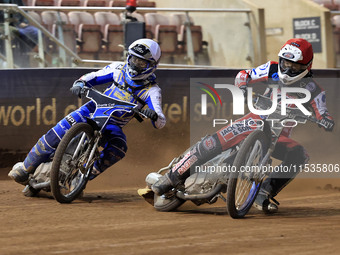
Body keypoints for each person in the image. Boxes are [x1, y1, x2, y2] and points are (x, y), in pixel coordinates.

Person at [151, 38, 335, 213]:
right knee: (215, 141)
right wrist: (243, 84)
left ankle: (264, 191)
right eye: (286, 63)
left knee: (300, 154)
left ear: (306, 66)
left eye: (294, 66)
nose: (288, 69)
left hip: (278, 135)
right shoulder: (271, 68)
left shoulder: (315, 90)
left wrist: (325, 120)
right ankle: (172, 177)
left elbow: (322, 111)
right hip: (255, 119)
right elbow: (244, 75)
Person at [8, 38, 166, 185]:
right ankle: (25, 168)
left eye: (141, 63)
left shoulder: (152, 90)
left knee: (119, 148)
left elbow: (160, 122)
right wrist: (80, 83)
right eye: (133, 59)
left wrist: (154, 115)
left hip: (112, 125)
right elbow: (94, 77)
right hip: (91, 110)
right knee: (58, 131)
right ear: (128, 57)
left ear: (151, 66)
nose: (135, 65)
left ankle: (80, 179)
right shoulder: (118, 69)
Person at [0, 0, 38, 66]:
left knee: (35, 32)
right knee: (11, 32)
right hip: (3, 25)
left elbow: (22, 10)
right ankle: (6, 59)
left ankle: (25, 59)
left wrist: (23, 21)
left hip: (16, 24)